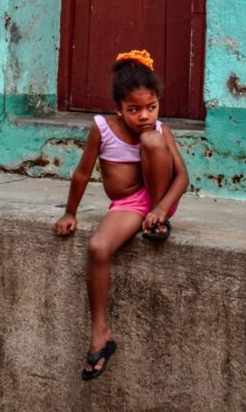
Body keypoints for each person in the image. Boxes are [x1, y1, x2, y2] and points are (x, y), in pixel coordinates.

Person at [53, 49, 189, 381]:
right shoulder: (102, 128)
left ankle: (158, 224)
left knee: (152, 141)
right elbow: (82, 174)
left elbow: (183, 177)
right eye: (134, 109)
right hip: (129, 206)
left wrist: (159, 209)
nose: (145, 115)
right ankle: (100, 332)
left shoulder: (159, 129)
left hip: (158, 201)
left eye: (151, 107)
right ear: (117, 108)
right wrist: (70, 213)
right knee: (98, 248)